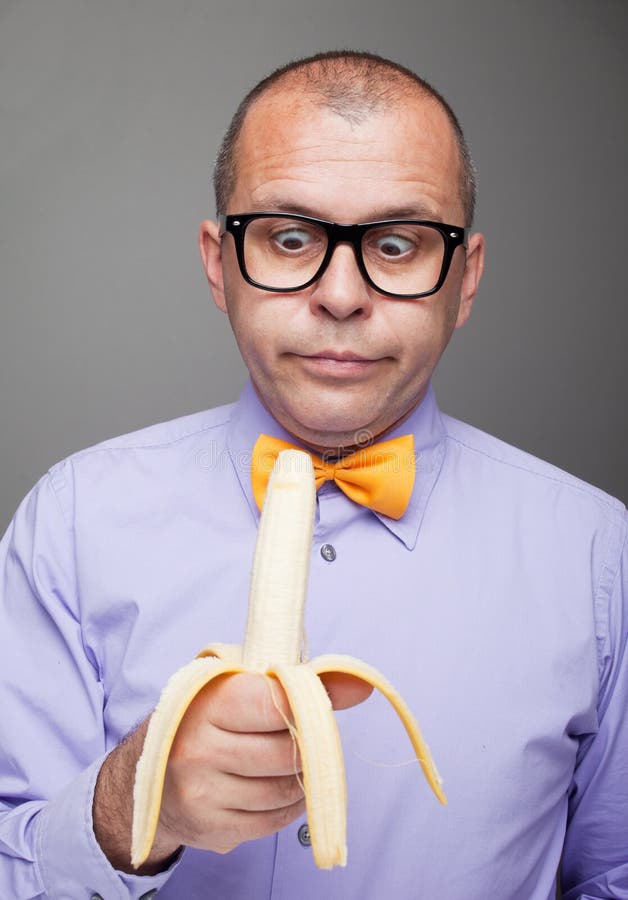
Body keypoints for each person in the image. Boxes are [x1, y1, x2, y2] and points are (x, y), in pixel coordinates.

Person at [0, 50, 626, 900]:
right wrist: (129, 808)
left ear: (466, 279)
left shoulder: (597, 556)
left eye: (397, 244)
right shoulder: (72, 521)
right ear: (218, 263)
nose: (340, 295)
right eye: (290, 238)